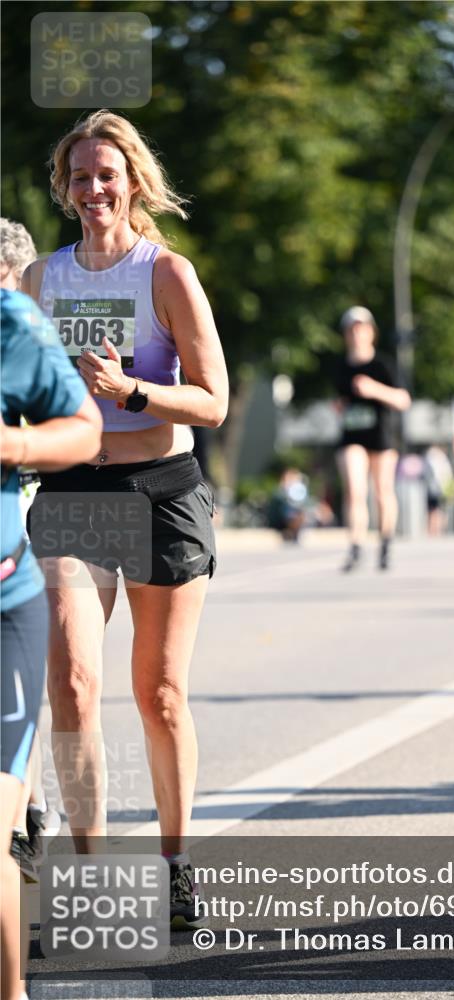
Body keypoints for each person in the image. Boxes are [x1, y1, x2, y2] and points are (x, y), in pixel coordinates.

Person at [22, 110, 229, 928]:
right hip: (72, 493)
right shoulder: (43, 279)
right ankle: (89, 876)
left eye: (107, 174)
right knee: (71, 684)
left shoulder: (165, 274)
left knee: (161, 694)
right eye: (79, 177)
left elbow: (212, 401)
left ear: (132, 181)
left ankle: (176, 866)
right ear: (64, 189)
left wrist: (132, 391)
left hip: (160, 488)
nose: (93, 189)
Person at [1, 223, 102, 1000]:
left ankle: (83, 869)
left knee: (77, 685)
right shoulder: (31, 310)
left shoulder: (21, 329)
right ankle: (24, 806)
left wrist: (15, 444)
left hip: (79, 513)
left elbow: (82, 430)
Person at [334, 306, 411, 571]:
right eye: (352, 329)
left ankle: (385, 542)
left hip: (381, 436)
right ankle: (355, 546)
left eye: (361, 328)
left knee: (382, 491)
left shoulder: (382, 365)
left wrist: (373, 389)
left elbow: (403, 400)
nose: (357, 334)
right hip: (351, 436)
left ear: (371, 332)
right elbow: (339, 400)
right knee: (355, 490)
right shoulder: (340, 367)